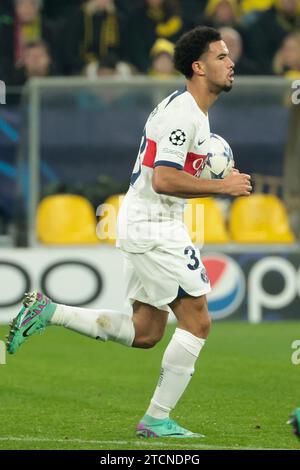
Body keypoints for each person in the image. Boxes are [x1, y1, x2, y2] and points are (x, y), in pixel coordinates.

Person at [6, 26, 252, 438]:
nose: (231, 63)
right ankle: (157, 419)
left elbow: (170, 172)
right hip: (155, 224)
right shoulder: (182, 113)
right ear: (198, 66)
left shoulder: (190, 111)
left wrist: (210, 173)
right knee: (198, 322)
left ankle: (50, 311)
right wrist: (220, 185)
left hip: (149, 221)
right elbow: (164, 180)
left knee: (147, 332)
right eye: (222, 56)